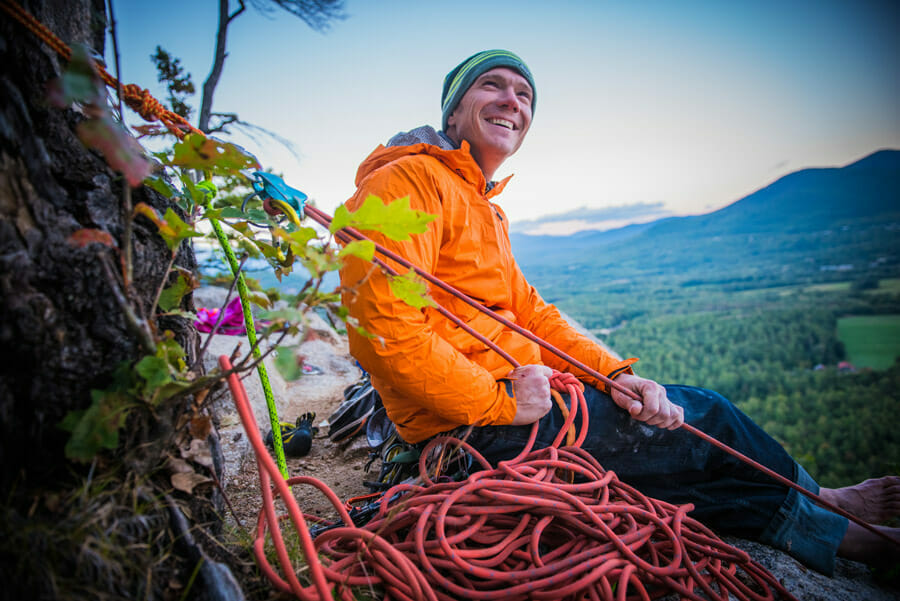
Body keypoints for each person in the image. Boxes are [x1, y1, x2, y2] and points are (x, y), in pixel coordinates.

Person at [338, 49, 900, 575]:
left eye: (525, 95)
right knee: (706, 418)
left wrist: (614, 375)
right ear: (455, 110)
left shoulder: (480, 205)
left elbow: (531, 314)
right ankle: (830, 512)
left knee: (678, 463)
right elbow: (384, 330)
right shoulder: (407, 181)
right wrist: (500, 403)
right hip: (473, 423)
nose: (514, 101)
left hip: (507, 405)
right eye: (493, 86)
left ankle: (827, 522)